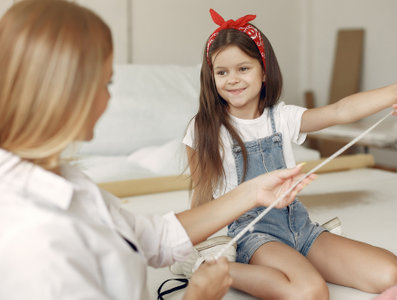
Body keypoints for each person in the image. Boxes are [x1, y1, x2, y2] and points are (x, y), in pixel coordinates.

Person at [0, 1, 316, 299]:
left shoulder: (61, 178)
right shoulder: (34, 240)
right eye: (105, 83)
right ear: (66, 92)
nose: (109, 99)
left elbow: (153, 238)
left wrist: (251, 193)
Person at [183, 9, 397, 300]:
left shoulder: (283, 117)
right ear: (212, 77)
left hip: (299, 225)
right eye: (222, 72)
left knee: (393, 274)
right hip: (253, 235)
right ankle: (211, 268)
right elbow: (201, 196)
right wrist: (189, 245)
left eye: (243, 69)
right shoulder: (205, 129)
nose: (232, 79)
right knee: (311, 293)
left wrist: (396, 92)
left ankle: (296, 262)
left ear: (264, 70)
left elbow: (340, 111)